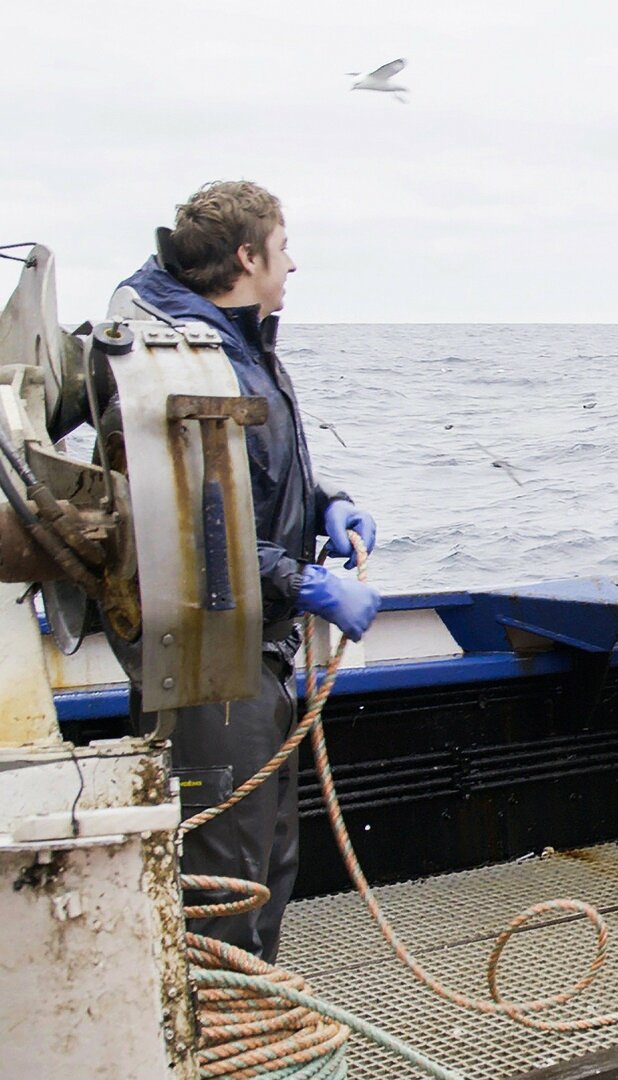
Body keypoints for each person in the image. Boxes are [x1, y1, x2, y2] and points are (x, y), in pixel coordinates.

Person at [113, 181, 381, 960]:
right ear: (246, 257)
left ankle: (260, 1031)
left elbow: (250, 484)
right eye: (283, 247)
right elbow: (189, 533)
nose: (291, 265)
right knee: (222, 884)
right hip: (210, 669)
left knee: (270, 862)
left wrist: (329, 501)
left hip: (259, 658)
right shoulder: (185, 364)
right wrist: (306, 584)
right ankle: (223, 1046)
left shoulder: (241, 347)